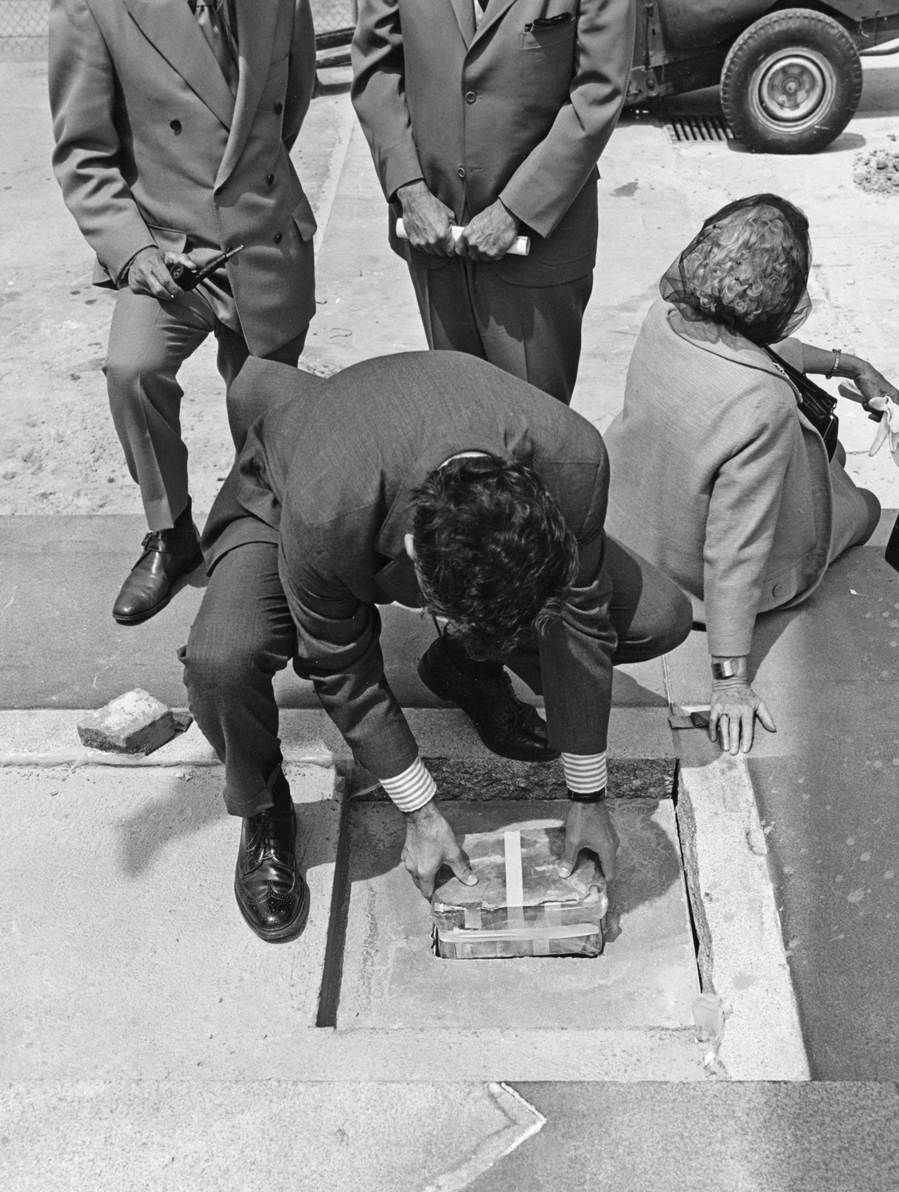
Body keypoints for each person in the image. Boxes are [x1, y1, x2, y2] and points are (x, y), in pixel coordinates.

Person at [181, 351, 690, 941]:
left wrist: (587, 795)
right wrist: (420, 809)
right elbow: (340, 663)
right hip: (292, 489)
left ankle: (460, 668)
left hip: (397, 461)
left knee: (657, 617)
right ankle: (264, 807)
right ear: (416, 560)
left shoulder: (573, 461)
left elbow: (583, 616)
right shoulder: (326, 509)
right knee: (222, 660)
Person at [49, 0, 318, 626]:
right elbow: (83, 154)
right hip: (165, 252)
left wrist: (250, 196)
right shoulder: (95, 9)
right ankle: (170, 534)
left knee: (264, 410)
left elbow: (290, 106)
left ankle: (254, 541)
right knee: (132, 371)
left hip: (261, 234)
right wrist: (131, 247)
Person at [604, 195, 899, 755]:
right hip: (692, 576)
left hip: (635, 528)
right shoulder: (761, 400)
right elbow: (735, 551)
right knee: (857, 507)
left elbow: (744, 338)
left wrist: (845, 362)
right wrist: (731, 681)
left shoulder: (666, 317)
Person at [350, 0, 635, 403]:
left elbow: (598, 91)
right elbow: (376, 71)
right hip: (434, 232)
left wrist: (515, 210)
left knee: (534, 432)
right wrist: (410, 191)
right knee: (458, 421)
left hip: (537, 247)